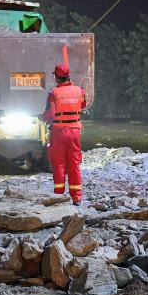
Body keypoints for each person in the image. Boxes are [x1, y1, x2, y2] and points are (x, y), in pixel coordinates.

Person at [42, 63, 87, 204]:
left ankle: (59, 196)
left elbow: (49, 114)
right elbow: (83, 106)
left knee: (59, 164)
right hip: (75, 131)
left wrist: (42, 118)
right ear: (68, 76)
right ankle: (77, 197)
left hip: (59, 132)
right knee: (74, 164)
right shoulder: (80, 91)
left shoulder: (53, 94)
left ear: (56, 77)